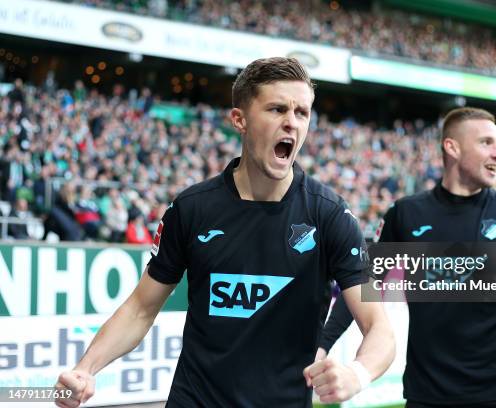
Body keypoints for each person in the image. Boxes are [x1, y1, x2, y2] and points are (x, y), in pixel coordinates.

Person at [54, 57, 395, 407]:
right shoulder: (191, 209)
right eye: (277, 109)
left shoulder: (330, 215)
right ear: (240, 120)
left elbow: (379, 328)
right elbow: (141, 308)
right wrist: (86, 368)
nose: (291, 123)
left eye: (302, 113)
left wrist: (358, 373)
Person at [318, 107, 496, 407]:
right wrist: (321, 346)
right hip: (430, 396)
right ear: (452, 147)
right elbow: (363, 289)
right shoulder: (407, 215)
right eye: (487, 142)